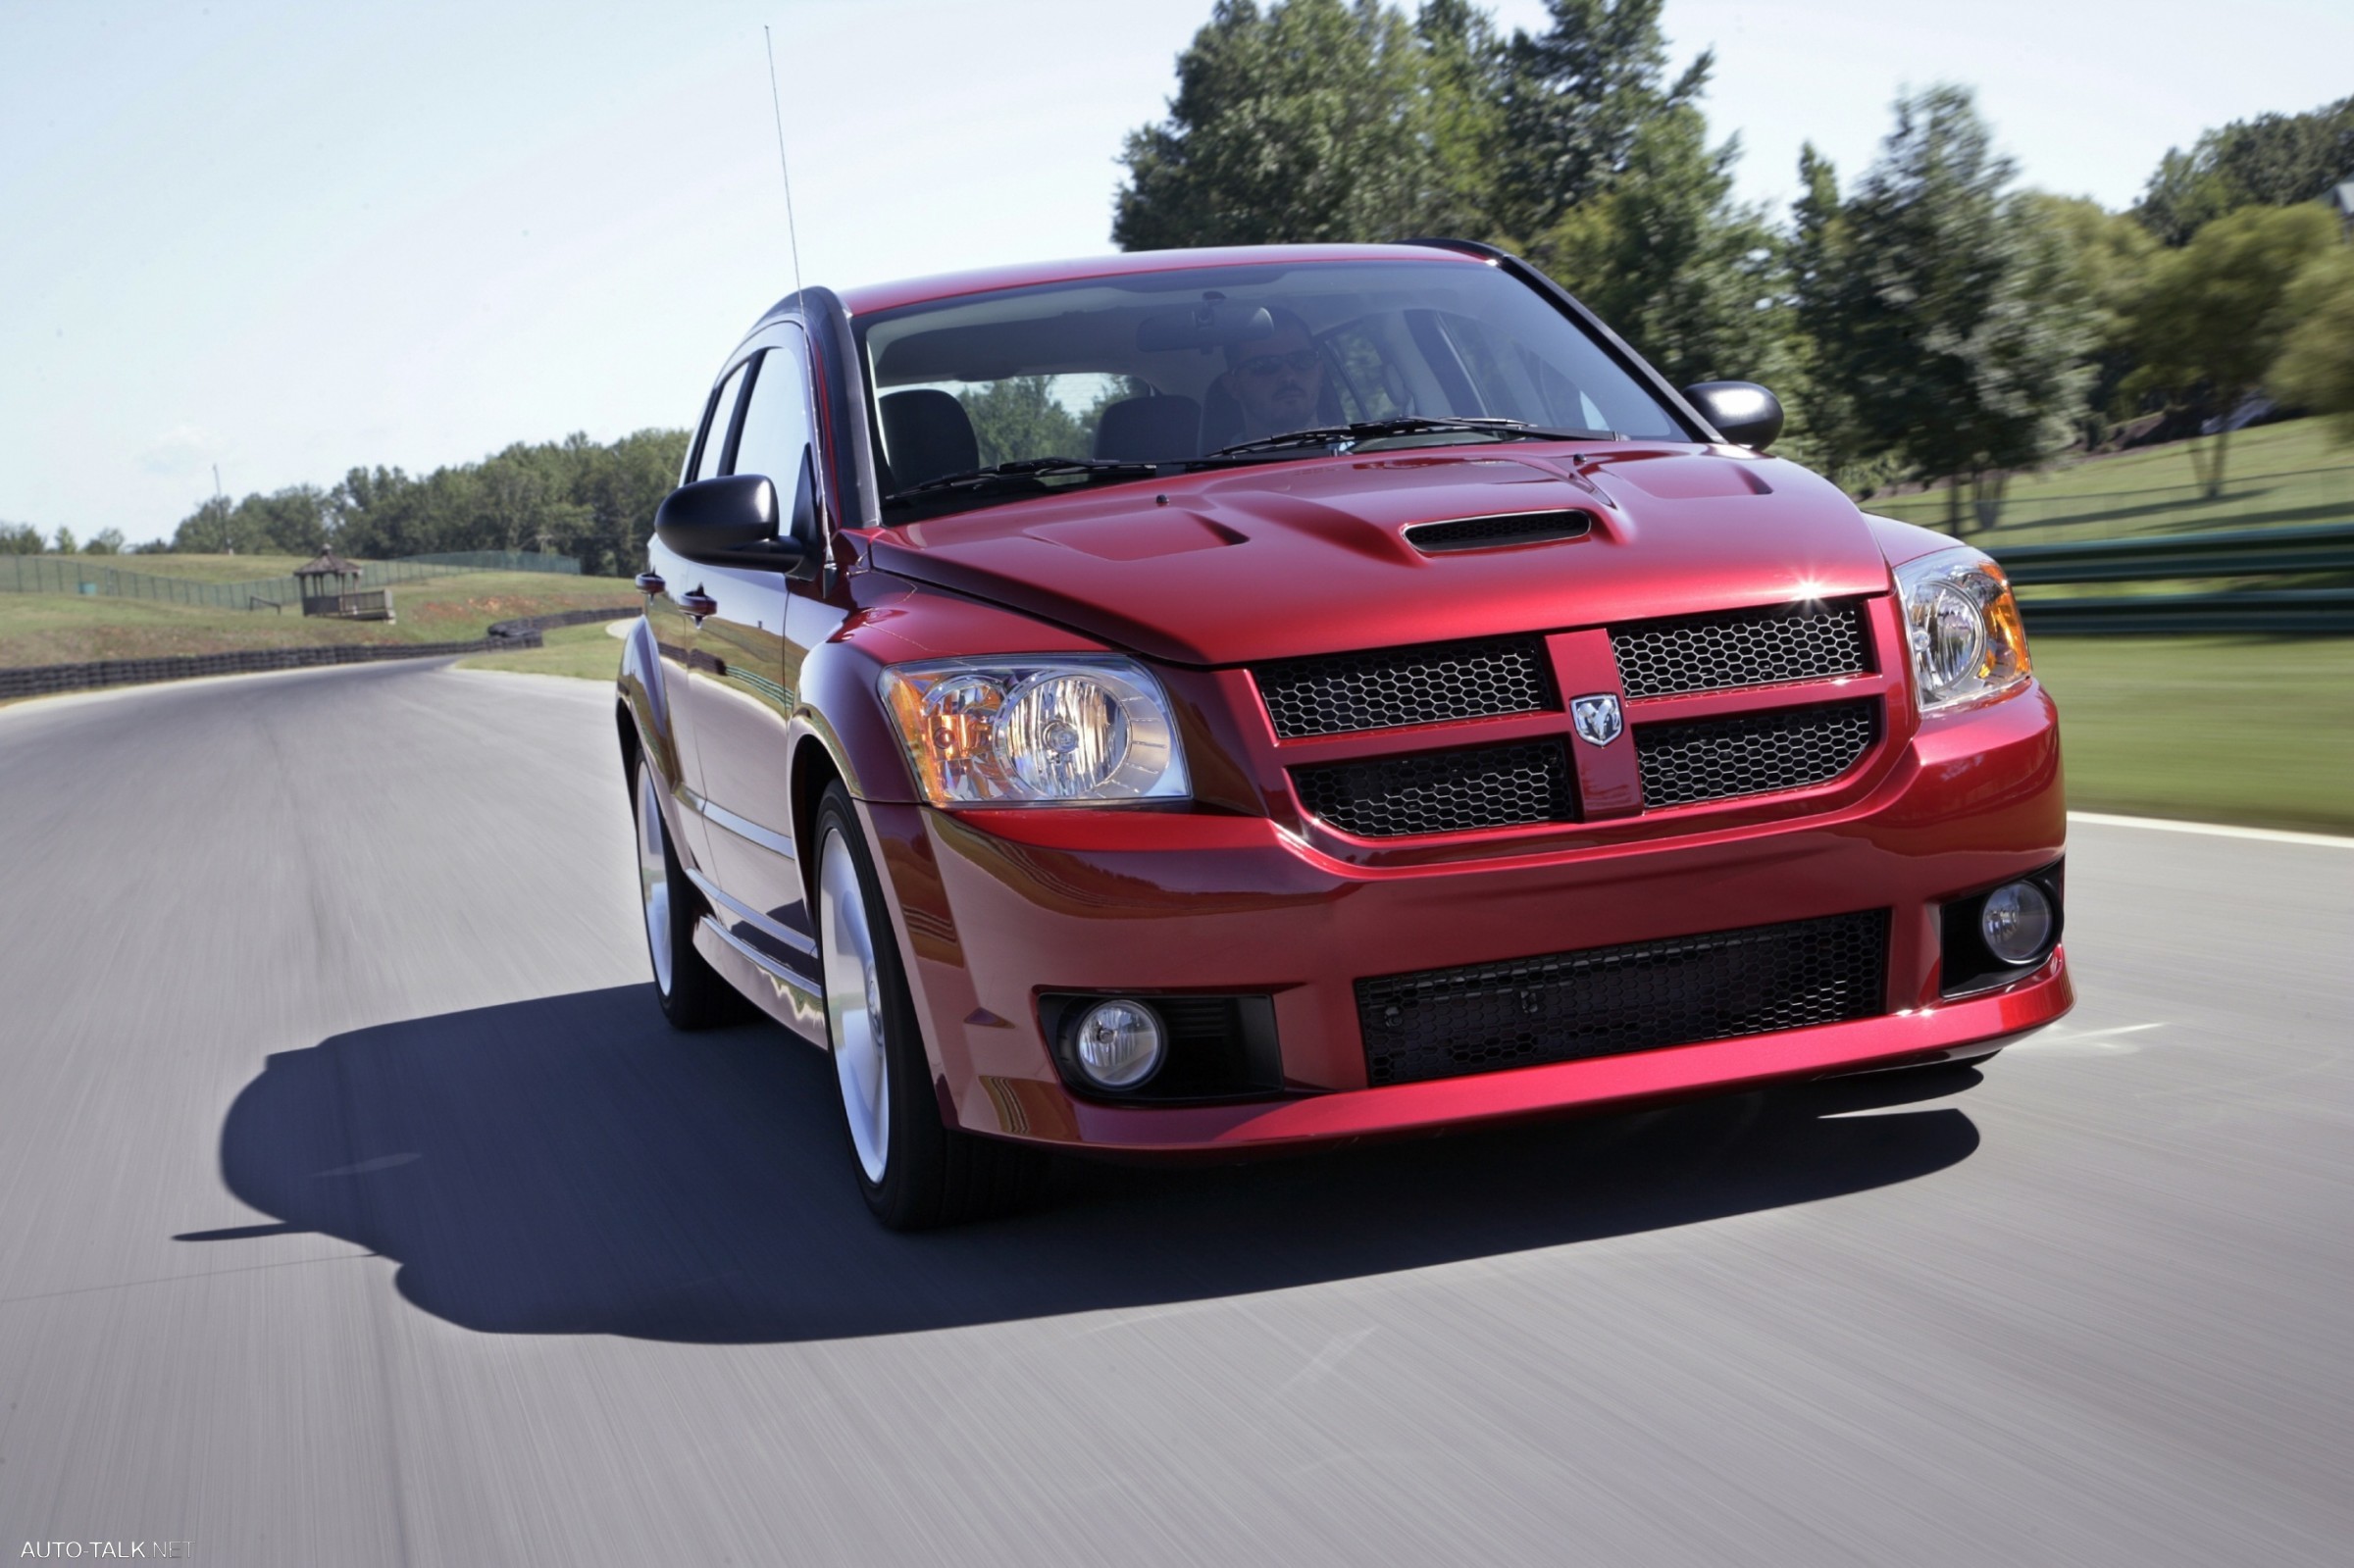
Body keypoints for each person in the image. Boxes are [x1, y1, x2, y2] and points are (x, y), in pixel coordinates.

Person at [1221, 308, 1327, 442]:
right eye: (1265, 365)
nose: (1288, 376)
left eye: (1302, 359)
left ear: (1320, 371)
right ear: (1233, 386)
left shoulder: (1358, 456)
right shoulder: (1219, 464)